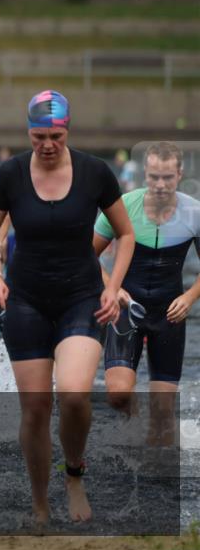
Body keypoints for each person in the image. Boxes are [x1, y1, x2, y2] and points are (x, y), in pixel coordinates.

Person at [0, 90, 134, 524]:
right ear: (29, 132)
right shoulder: (11, 174)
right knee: (36, 408)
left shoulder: (94, 172)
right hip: (25, 301)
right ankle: (40, 503)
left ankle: (75, 474)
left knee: (75, 395)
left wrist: (112, 286)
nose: (47, 145)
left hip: (82, 298)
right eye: (39, 136)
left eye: (56, 137)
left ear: (68, 131)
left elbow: (126, 234)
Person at [93, 141, 200, 446]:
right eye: (154, 177)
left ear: (179, 175)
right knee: (118, 395)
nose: (160, 184)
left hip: (170, 314)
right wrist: (113, 288)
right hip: (126, 309)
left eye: (167, 177)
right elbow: (86, 256)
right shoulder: (124, 206)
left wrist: (190, 297)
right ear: (145, 175)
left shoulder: (193, 213)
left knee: (163, 418)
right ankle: (134, 417)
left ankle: (154, 463)